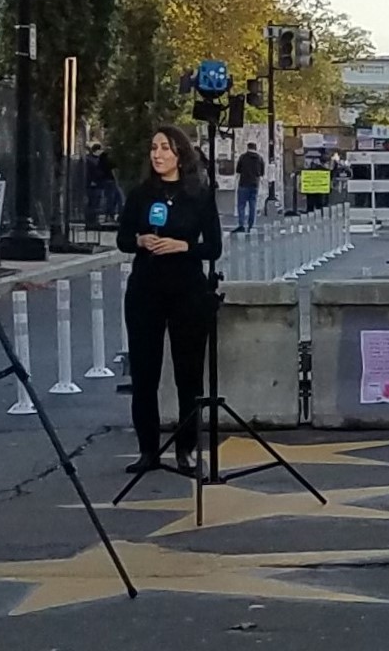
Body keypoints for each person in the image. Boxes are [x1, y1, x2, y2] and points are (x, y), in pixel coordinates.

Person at [116, 126, 222, 475]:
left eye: (165, 148)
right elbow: (123, 238)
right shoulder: (141, 194)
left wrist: (184, 246)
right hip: (145, 290)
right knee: (144, 375)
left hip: (187, 291)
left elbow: (214, 247)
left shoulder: (199, 195)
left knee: (188, 376)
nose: (157, 154)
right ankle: (148, 451)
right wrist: (140, 240)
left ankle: (186, 449)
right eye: (154, 148)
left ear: (180, 154)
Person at [85, 142, 121, 229]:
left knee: (100, 201)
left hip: (99, 182)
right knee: (105, 200)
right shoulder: (98, 159)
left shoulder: (96, 159)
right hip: (101, 182)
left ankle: (98, 219)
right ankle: (105, 217)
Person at [233, 142, 265, 232]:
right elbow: (262, 173)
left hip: (243, 184)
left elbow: (238, 171)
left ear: (247, 148)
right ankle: (251, 225)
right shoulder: (260, 159)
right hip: (255, 185)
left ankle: (241, 225)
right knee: (253, 206)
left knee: (241, 205)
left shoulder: (243, 157)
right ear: (255, 148)